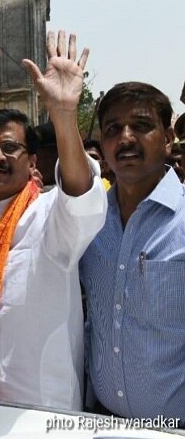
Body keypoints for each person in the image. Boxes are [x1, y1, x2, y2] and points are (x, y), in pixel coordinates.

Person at [0, 31, 107, 411]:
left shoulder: (49, 215)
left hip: (40, 412)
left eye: (10, 147)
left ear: (33, 161)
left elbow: (81, 198)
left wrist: (64, 117)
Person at [80, 82, 185, 423]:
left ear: (168, 138)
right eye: (113, 128)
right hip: (98, 420)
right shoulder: (89, 223)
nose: (125, 138)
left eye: (141, 126)